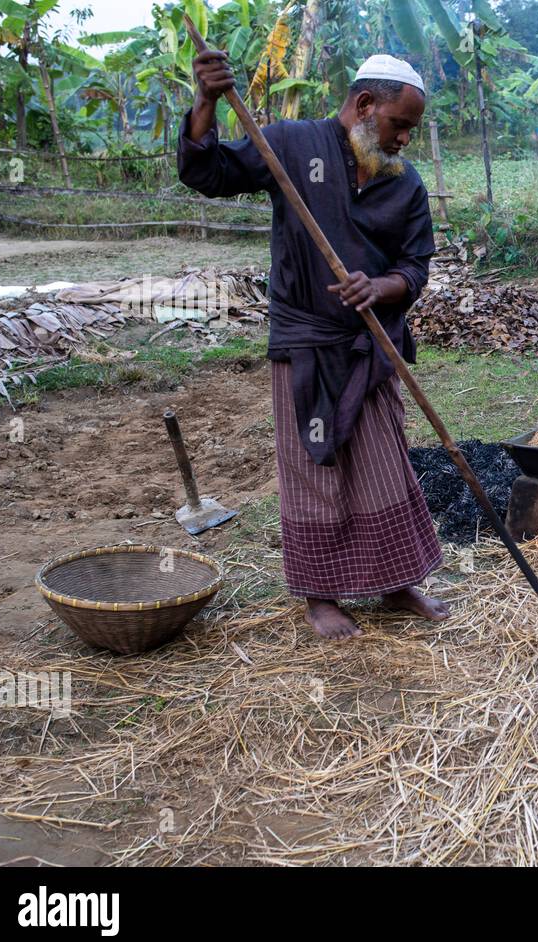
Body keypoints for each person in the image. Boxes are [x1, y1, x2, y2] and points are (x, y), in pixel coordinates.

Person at [179, 51, 450, 638]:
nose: (405, 138)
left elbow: (416, 268)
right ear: (364, 105)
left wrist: (378, 286)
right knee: (313, 464)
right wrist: (205, 100)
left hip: (369, 345)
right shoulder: (293, 145)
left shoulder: (406, 186)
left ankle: (398, 580)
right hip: (304, 342)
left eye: (411, 128)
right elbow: (209, 173)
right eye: (399, 123)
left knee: (383, 464)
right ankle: (320, 596)